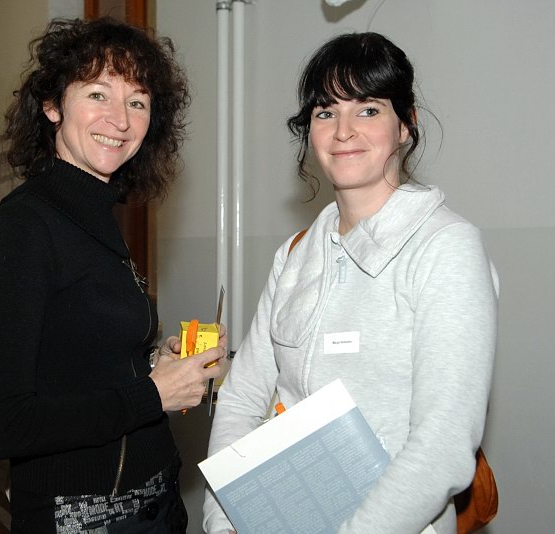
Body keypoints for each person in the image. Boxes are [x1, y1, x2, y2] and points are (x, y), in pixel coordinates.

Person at [203, 32, 499, 534]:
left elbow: (444, 444)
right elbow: (242, 399)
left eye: (368, 109)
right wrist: (223, 518)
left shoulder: (445, 247)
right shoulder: (295, 255)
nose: (343, 131)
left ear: (405, 125)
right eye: (325, 112)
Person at [0, 17, 225, 534]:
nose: (120, 119)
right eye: (97, 94)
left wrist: (154, 364)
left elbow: (74, 360)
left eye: (138, 101)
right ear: (52, 105)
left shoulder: (98, 214)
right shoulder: (23, 228)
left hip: (154, 499)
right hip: (83, 515)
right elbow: (5, 425)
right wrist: (152, 395)